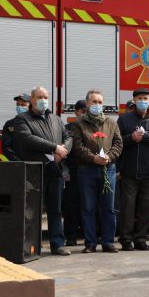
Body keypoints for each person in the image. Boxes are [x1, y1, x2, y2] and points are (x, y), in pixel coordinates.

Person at [14, 86, 72, 256]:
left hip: (55, 170)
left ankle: (57, 244)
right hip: (35, 170)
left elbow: (68, 137)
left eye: (46, 97)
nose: (43, 100)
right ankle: (31, 246)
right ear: (31, 99)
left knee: (56, 209)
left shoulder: (55, 119)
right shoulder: (22, 119)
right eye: (39, 97)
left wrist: (63, 150)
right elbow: (27, 139)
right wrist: (54, 147)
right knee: (31, 210)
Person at [117, 88, 149, 251]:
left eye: (145, 98)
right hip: (129, 172)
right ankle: (126, 239)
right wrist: (131, 138)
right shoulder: (124, 119)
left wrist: (145, 136)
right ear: (134, 100)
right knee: (128, 208)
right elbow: (116, 142)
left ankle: (140, 238)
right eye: (139, 98)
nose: (143, 101)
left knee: (146, 208)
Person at [71, 90, 123, 253]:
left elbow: (118, 143)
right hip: (87, 170)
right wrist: (93, 158)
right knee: (88, 208)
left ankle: (108, 242)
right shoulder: (79, 123)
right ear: (87, 104)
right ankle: (90, 243)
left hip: (108, 169)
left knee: (108, 208)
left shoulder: (111, 122)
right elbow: (78, 147)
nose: (97, 105)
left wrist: (109, 156)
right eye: (94, 102)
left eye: (100, 102)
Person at [63, 99, 87, 246]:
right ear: (76, 112)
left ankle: (89, 235)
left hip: (89, 171)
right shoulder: (67, 128)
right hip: (72, 172)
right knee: (71, 206)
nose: (85, 114)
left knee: (89, 205)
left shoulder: (93, 127)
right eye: (83, 111)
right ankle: (71, 236)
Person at [2, 93, 31, 161]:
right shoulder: (9, 124)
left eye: (23, 105)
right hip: (16, 164)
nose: (19, 107)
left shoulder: (36, 122)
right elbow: (6, 147)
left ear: (30, 106)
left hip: (35, 163)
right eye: (18, 104)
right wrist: (17, 161)